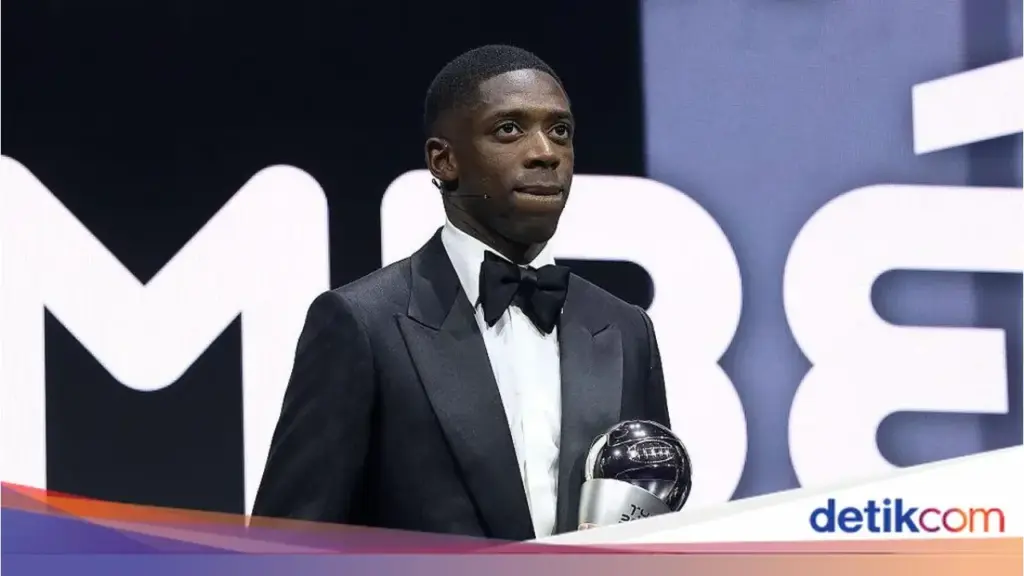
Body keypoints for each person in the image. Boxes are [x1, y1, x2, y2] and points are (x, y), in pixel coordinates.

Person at [251, 44, 670, 541]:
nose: (546, 152)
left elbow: (656, 527)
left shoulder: (625, 329)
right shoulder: (363, 324)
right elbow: (286, 547)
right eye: (509, 129)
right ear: (444, 160)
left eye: (560, 130)